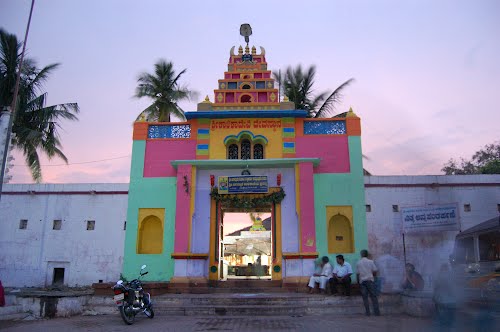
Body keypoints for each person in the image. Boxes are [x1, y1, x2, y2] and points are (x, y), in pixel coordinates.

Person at [357, 250, 380, 316]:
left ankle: (368, 312)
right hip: (370, 280)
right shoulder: (371, 262)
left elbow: (358, 274)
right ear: (367, 255)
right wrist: (373, 277)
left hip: (362, 281)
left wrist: (359, 282)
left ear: (361, 255)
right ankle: (377, 312)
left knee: (365, 298)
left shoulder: (358, 263)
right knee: (373, 297)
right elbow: (375, 271)